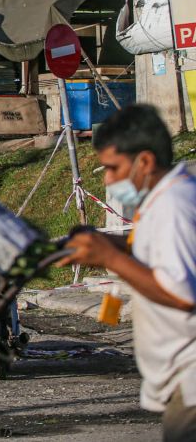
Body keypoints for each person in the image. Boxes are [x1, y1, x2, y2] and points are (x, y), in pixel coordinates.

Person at [61, 104, 196, 441]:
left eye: (112, 168)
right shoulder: (163, 200)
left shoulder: (174, 207)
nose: (107, 179)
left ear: (145, 161)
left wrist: (110, 256)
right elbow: (159, 257)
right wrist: (107, 245)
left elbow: (181, 293)